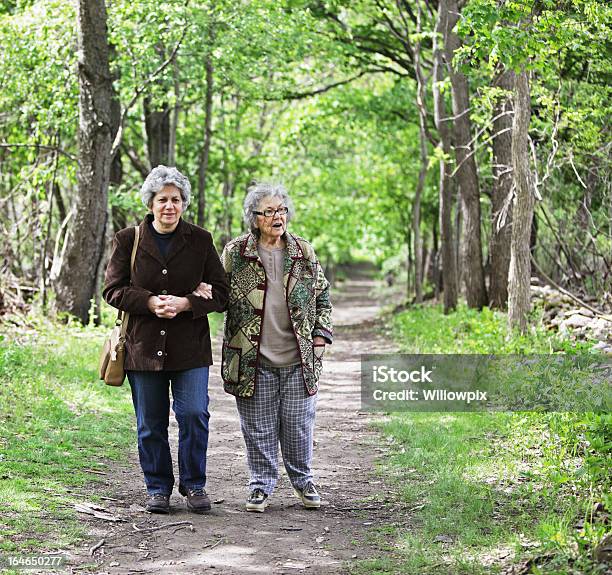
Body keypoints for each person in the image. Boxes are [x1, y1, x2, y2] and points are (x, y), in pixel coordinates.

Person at [103, 165, 228, 514]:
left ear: (184, 203)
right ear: (151, 203)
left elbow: (221, 292)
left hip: (189, 347)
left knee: (193, 414)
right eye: (162, 200)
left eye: (175, 199)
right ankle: (157, 488)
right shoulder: (128, 239)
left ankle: (194, 485)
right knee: (150, 422)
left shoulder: (201, 240)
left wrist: (188, 302)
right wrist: (148, 302)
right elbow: (112, 290)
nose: (169, 206)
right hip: (142, 347)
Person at [217, 181, 333, 513]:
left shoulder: (303, 251)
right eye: (268, 212)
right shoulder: (236, 253)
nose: (277, 217)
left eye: (281, 210)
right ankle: (260, 486)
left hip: (299, 357)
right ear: (254, 218)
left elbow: (322, 295)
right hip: (251, 358)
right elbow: (219, 296)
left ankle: (303, 481)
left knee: (298, 423)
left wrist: (321, 335)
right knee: (257, 426)